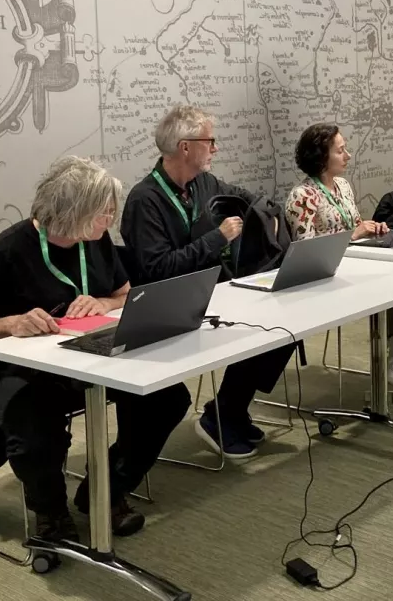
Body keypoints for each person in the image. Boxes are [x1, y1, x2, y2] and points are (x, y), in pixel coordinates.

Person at [0, 157, 190, 543]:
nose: (109, 221)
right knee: (31, 426)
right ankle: (50, 511)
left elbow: (124, 293)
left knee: (166, 397)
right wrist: (11, 323)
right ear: (72, 213)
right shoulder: (6, 252)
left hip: (89, 353)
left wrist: (104, 304)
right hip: (28, 369)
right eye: (103, 213)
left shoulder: (94, 242)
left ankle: (106, 489)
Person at [121, 105, 293, 460]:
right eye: (209, 141)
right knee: (254, 326)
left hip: (212, 292)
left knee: (284, 323)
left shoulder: (204, 183)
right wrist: (217, 239)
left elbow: (250, 199)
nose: (215, 148)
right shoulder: (145, 200)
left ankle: (229, 408)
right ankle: (223, 415)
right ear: (185, 147)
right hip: (167, 304)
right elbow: (158, 269)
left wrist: (270, 215)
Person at [286, 123, 393, 382]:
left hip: (355, 264)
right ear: (321, 157)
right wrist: (354, 235)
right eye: (340, 151)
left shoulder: (343, 186)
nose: (347, 156)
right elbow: (306, 250)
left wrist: (370, 228)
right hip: (325, 278)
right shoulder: (302, 196)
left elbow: (355, 226)